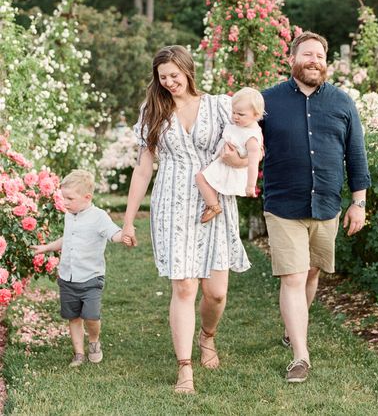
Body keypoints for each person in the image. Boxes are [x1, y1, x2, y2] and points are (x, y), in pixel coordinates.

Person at [121, 45, 250, 395]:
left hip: (215, 200)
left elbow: (247, 145)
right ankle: (185, 368)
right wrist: (129, 220)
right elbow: (144, 167)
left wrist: (240, 163)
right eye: (163, 78)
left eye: (174, 76)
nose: (169, 83)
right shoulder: (153, 111)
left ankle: (207, 337)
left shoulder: (220, 105)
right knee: (184, 287)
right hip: (173, 203)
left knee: (217, 293)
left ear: (188, 71)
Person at [261, 31, 371, 384]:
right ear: (291, 59)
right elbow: (244, 139)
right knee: (293, 276)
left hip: (327, 204)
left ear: (325, 62)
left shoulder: (342, 103)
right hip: (283, 205)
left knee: (310, 274)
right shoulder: (268, 102)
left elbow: (356, 156)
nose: (314, 60)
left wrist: (358, 202)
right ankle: (300, 356)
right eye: (307, 54)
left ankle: (294, 329)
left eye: (320, 55)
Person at [32, 169, 124, 367]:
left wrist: (122, 236)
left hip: (91, 278)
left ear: (87, 197)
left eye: (69, 198)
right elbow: (68, 239)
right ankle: (79, 354)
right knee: (73, 317)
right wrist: (46, 248)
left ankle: (93, 342)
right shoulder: (70, 216)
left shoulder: (99, 216)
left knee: (91, 316)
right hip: (68, 278)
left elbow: (112, 232)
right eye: (63, 197)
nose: (64, 203)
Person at [195, 86, 264, 223]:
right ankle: (213, 203)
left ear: (256, 115)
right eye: (233, 112)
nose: (235, 117)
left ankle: (213, 206)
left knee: (200, 178)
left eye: (241, 114)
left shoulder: (252, 137)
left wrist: (250, 186)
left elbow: (253, 163)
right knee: (205, 180)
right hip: (222, 162)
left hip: (229, 168)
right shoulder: (239, 126)